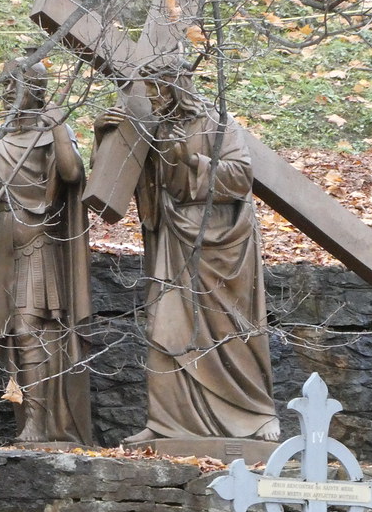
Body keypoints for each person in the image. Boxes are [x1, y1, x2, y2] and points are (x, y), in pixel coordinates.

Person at [95, 56, 279, 443]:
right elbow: (114, 181)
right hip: (171, 240)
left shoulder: (216, 122)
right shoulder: (153, 127)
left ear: (177, 84)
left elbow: (241, 176)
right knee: (164, 324)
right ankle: (164, 423)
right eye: (147, 88)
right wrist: (103, 136)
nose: (151, 96)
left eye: (157, 87)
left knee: (228, 329)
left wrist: (191, 159)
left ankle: (254, 415)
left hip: (217, 242)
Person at [0, 55, 92, 444]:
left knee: (31, 328)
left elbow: (72, 173)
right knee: (6, 332)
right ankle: (25, 419)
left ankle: (41, 424)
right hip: (4, 236)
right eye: (4, 84)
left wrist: (57, 126)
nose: (5, 92)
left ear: (35, 92)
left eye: (14, 85)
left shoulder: (52, 131)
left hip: (38, 237)